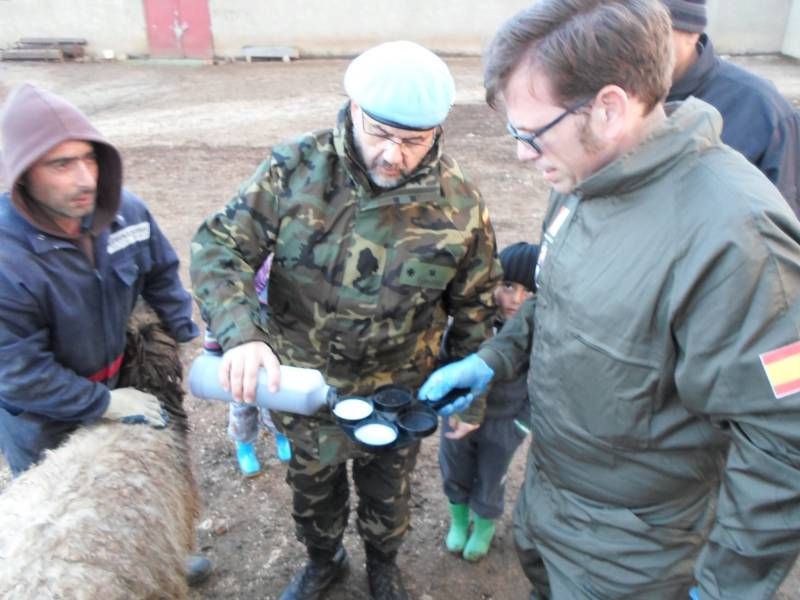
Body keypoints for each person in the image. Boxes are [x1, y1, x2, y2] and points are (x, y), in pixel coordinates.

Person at [418, 1, 800, 598]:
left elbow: (785, 437)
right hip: (552, 499)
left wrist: (726, 588)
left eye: (531, 133)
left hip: (642, 551)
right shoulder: (582, 180)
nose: (521, 152)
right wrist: (493, 359)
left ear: (610, 108)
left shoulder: (736, 236)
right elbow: (561, 299)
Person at [190, 40, 501, 600]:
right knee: (313, 492)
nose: (393, 155)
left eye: (414, 141)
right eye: (381, 133)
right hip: (305, 389)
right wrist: (240, 334)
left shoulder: (460, 203)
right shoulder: (294, 170)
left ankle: (383, 566)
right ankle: (324, 561)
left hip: (398, 396)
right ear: (354, 108)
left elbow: (475, 305)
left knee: (389, 496)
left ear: (437, 131)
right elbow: (219, 247)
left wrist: (470, 396)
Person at [0, 83, 212, 586]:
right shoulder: (7, 258)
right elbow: (17, 371)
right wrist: (100, 404)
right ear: (22, 172)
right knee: (67, 522)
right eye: (60, 165)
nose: (85, 179)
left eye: (89, 159)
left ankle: (156, 558)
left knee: (136, 486)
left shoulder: (126, 213)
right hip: (44, 418)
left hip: (121, 378)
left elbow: (160, 272)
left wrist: (186, 334)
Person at [440, 241, 537, 562]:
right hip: (460, 416)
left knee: (492, 476)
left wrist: (522, 422)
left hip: (504, 424)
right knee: (455, 467)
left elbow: (542, 385)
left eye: (529, 292)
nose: (516, 299)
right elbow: (447, 359)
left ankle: (483, 526)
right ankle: (459, 519)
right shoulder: (471, 322)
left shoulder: (538, 336)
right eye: (508, 286)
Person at [663, 0, 800, 218]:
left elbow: (782, 232)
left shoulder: (763, 110)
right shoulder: (603, 92)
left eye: (651, 31)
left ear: (692, 31)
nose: (633, 45)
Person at [217, 254, 293, 478]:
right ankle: (245, 446)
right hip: (241, 372)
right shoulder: (234, 295)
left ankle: (281, 436)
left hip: (274, 370)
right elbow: (218, 322)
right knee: (242, 408)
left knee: (278, 403)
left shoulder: (286, 300)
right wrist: (212, 351)